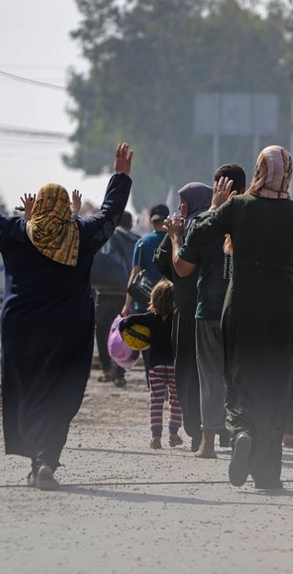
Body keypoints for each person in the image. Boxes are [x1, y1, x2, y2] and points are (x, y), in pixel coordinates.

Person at [0, 141, 132, 490]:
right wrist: (120, 176)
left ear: (37, 206)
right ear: (62, 209)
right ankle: (46, 459)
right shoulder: (81, 236)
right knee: (61, 391)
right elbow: (111, 215)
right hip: (68, 331)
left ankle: (35, 452)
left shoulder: (16, 233)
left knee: (28, 389)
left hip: (22, 330)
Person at [185, 145, 293, 490]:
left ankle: (242, 431)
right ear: (288, 174)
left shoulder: (238, 207)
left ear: (258, 169)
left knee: (239, 378)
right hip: (282, 311)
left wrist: (216, 207)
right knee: (277, 387)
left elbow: (195, 236)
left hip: (241, 306)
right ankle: (268, 474)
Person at [158, 166, 247, 459]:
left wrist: (175, 237)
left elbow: (181, 268)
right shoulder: (254, 218)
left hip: (207, 310)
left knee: (209, 377)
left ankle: (207, 443)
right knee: (240, 375)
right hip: (243, 310)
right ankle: (242, 434)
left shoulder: (205, 224)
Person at [154, 182, 212, 453]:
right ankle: (214, 430)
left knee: (188, 372)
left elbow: (163, 263)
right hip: (211, 310)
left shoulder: (191, 229)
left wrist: (172, 234)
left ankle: (196, 429)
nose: (179, 207)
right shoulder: (215, 224)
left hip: (188, 311)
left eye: (182, 201)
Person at [120, 279, 182, 449]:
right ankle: (174, 434)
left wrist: (125, 333)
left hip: (155, 366)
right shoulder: (178, 318)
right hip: (174, 366)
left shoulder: (149, 318)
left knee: (156, 401)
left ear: (153, 300)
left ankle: (156, 437)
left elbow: (126, 321)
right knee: (176, 401)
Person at [121, 203, 170, 389]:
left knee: (148, 346)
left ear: (150, 220)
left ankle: (153, 385)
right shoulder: (175, 240)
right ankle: (170, 384)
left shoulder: (142, 242)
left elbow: (134, 275)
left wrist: (127, 304)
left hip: (145, 303)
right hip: (171, 302)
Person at [90, 211, 139, 386]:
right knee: (125, 334)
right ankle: (120, 373)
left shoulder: (107, 237)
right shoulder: (136, 240)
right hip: (125, 295)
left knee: (102, 331)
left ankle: (106, 370)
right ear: (131, 224)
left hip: (104, 293)